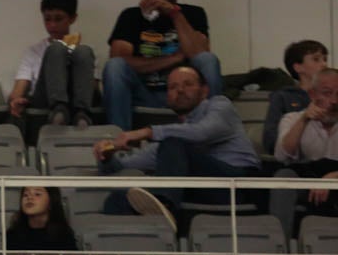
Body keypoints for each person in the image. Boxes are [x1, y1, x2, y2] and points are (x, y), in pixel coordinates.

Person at [95, 64, 259, 231]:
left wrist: (147, 132)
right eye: (173, 87)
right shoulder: (172, 142)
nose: (180, 90)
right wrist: (107, 156)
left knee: (173, 143)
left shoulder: (220, 105)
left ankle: (164, 204)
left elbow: (201, 132)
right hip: (200, 190)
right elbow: (122, 166)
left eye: (188, 84)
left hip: (238, 186)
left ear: (204, 91)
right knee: (118, 199)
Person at [103, 0, 222, 131]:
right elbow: (119, 60)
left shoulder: (193, 14)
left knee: (209, 60)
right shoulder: (131, 16)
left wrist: (174, 14)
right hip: (145, 93)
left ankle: (212, 132)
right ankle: (119, 139)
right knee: (114, 66)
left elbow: (199, 55)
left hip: (184, 95)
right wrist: (176, 58)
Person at [7, 0, 97, 128]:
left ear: (72, 18)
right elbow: (18, 90)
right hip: (44, 103)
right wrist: (15, 100)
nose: (52, 25)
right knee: (56, 48)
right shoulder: (33, 51)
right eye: (47, 19)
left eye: (58, 19)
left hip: (76, 101)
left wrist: (73, 61)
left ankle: (81, 114)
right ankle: (59, 110)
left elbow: (94, 88)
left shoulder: (84, 52)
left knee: (84, 51)